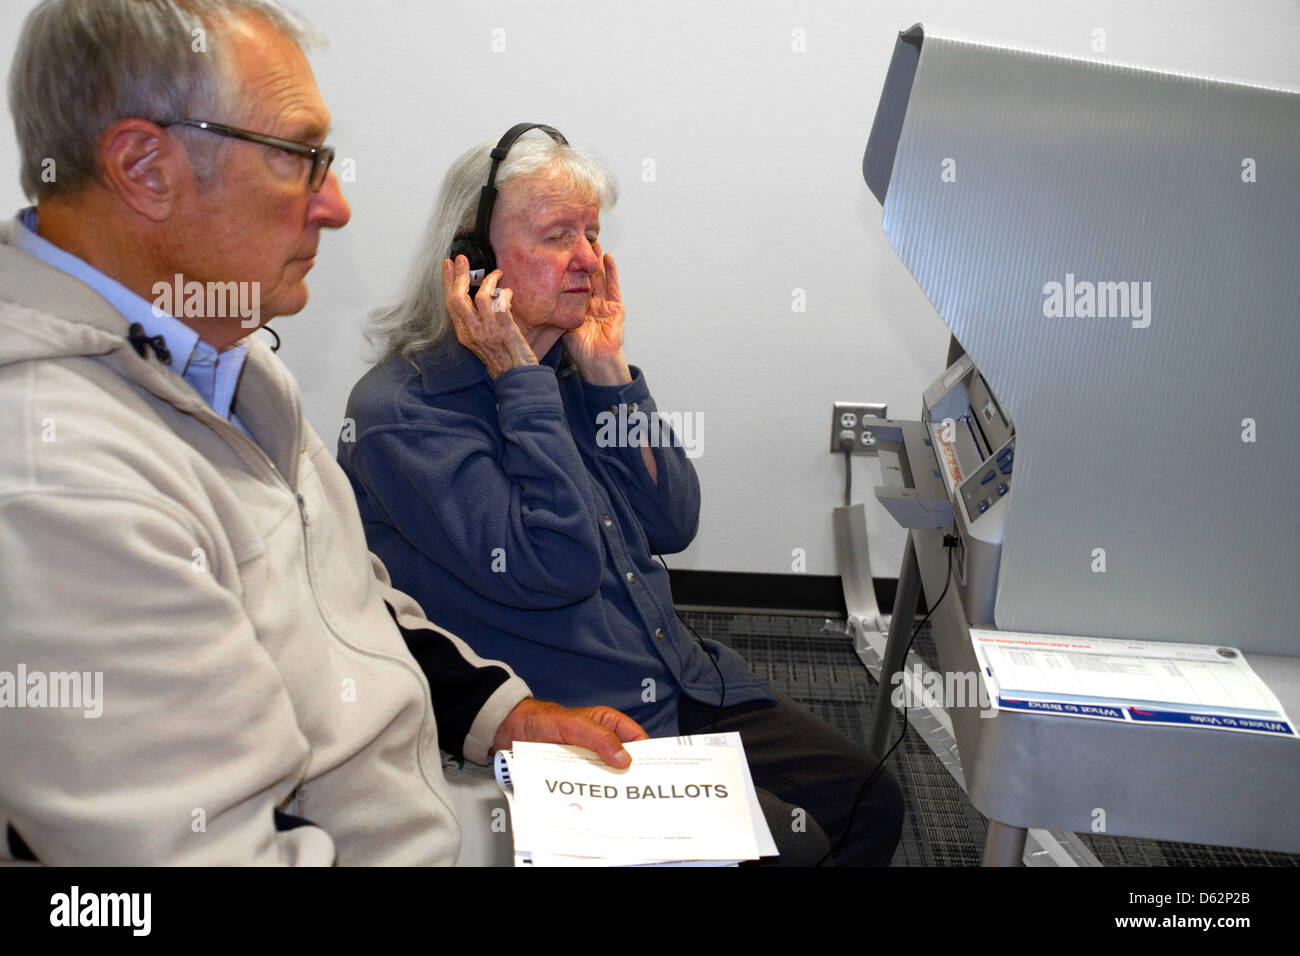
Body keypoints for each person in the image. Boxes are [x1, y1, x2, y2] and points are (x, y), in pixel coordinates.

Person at [0, 0, 647, 867]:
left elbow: (347, 599)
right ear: (144, 167)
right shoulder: (60, 478)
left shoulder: (231, 358)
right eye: (299, 160)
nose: (336, 207)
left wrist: (506, 716)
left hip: (432, 792)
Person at [338, 127, 905, 865]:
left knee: (870, 802)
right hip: (569, 718)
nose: (587, 259)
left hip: (674, 676)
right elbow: (556, 566)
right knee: (782, 851)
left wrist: (610, 376)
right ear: (472, 262)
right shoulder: (404, 414)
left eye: (592, 233)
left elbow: (675, 519)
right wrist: (521, 388)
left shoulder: (570, 369)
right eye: (556, 235)